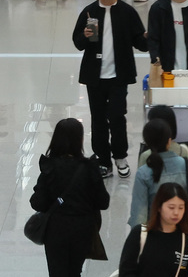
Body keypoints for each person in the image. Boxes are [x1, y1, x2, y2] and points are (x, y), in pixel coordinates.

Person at [72, 0, 148, 178]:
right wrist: (85, 36)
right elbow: (77, 42)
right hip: (94, 77)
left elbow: (140, 42)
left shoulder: (127, 12)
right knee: (97, 119)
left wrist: (151, 37)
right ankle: (103, 160)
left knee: (117, 117)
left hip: (118, 76)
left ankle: (120, 156)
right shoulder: (89, 12)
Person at [29, 119, 110, 277]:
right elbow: (103, 202)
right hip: (83, 229)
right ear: (80, 140)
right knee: (75, 272)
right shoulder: (89, 168)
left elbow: (37, 202)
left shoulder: (49, 166)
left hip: (56, 229)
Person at [130, 120, 188, 228]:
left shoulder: (143, 172)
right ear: (169, 141)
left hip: (156, 232)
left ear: (147, 143)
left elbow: (140, 212)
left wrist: (137, 237)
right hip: (183, 229)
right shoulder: (187, 164)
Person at [120, 184, 188, 277]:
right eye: (171, 207)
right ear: (159, 207)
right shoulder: (140, 234)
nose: (176, 213)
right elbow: (125, 272)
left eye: (181, 208)